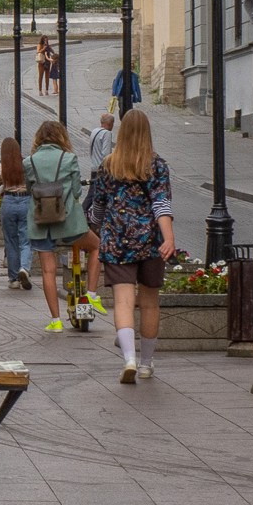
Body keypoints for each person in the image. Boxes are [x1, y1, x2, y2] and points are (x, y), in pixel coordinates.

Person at [83, 109, 175, 384]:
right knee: (149, 303)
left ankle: (129, 359)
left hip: (118, 242)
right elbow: (161, 203)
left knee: (123, 302)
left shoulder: (108, 165)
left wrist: (95, 226)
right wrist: (168, 237)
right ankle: (146, 363)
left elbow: (98, 207)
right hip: (150, 242)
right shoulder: (157, 165)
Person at [27, 119, 103, 331]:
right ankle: (91, 295)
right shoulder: (69, 158)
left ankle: (55, 321)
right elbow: (78, 191)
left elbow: (29, 188)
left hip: (41, 222)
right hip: (69, 222)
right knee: (97, 246)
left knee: (48, 271)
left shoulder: (29, 161)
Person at [0, 137, 32, 290]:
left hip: (8, 203)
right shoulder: (25, 165)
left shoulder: (0, 168)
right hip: (25, 201)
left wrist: (4, 187)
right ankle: (24, 268)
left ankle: (13, 279)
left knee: (11, 241)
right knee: (26, 240)